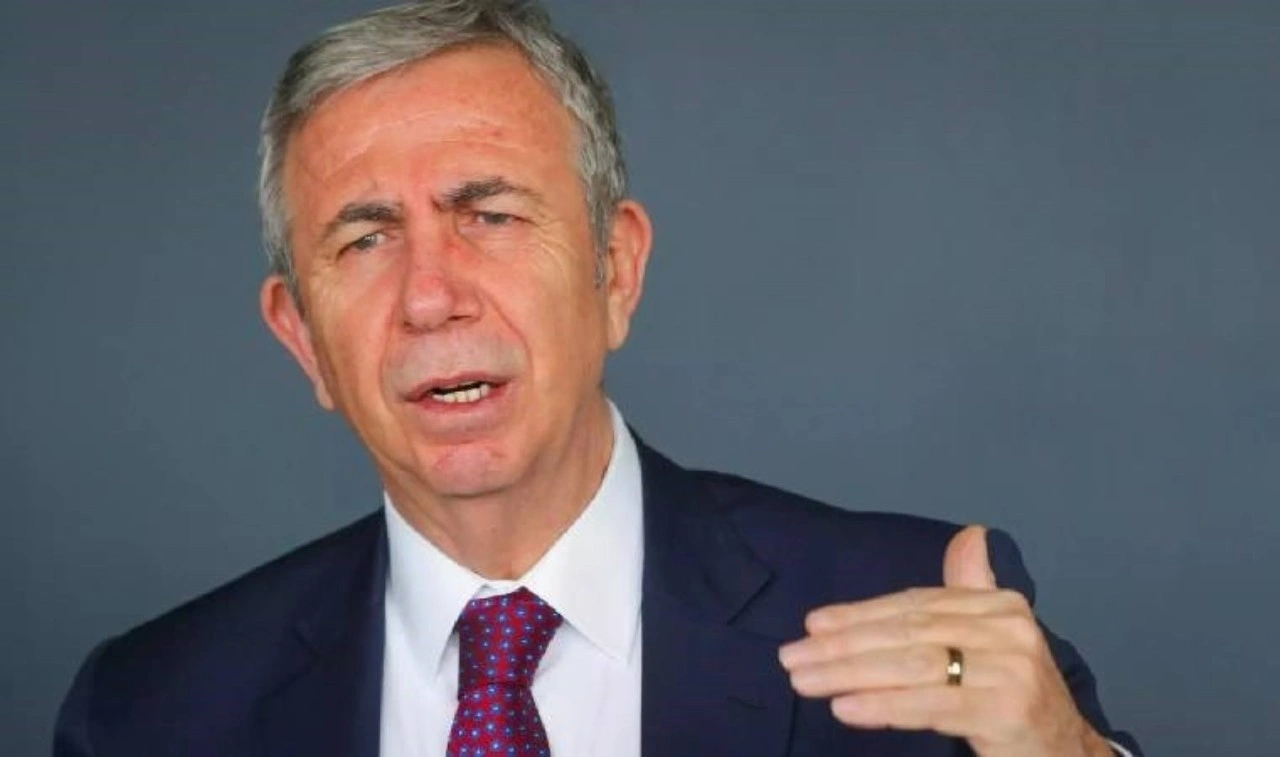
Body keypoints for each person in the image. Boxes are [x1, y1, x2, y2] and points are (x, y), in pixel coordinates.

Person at [54, 2, 1142, 755]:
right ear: (302, 338)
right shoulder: (147, 711)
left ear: (614, 270)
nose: (430, 296)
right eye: (366, 239)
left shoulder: (921, 611)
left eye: (489, 215)